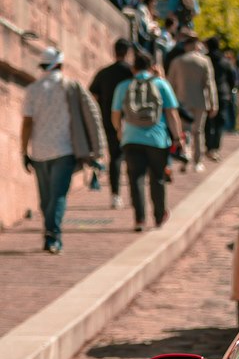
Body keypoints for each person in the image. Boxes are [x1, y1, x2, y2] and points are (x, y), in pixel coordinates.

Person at [21, 46, 106, 254]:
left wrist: (24, 151)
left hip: (40, 150)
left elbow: (27, 123)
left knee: (46, 197)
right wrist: (97, 148)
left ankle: (50, 232)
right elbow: (91, 114)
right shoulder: (69, 86)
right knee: (58, 196)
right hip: (64, 149)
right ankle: (53, 236)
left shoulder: (33, 89)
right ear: (60, 64)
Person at [112, 52, 183, 232]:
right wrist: (177, 137)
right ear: (152, 66)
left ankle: (140, 220)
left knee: (135, 178)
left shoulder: (123, 86)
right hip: (157, 139)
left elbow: (115, 114)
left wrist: (120, 130)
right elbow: (172, 113)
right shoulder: (161, 84)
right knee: (157, 178)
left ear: (133, 68)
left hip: (131, 138)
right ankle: (159, 216)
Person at [89, 38, 134, 209]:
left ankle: (115, 195)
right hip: (131, 121)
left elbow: (92, 95)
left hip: (108, 120)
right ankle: (134, 194)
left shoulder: (104, 72)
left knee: (115, 157)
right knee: (131, 158)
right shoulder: (131, 72)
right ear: (128, 52)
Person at [168, 32, 218, 171]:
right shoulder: (204, 61)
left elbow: (170, 84)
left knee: (184, 131)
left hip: (181, 101)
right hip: (200, 101)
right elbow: (210, 83)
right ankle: (197, 161)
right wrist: (214, 103)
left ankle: (185, 157)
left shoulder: (177, 62)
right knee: (198, 131)